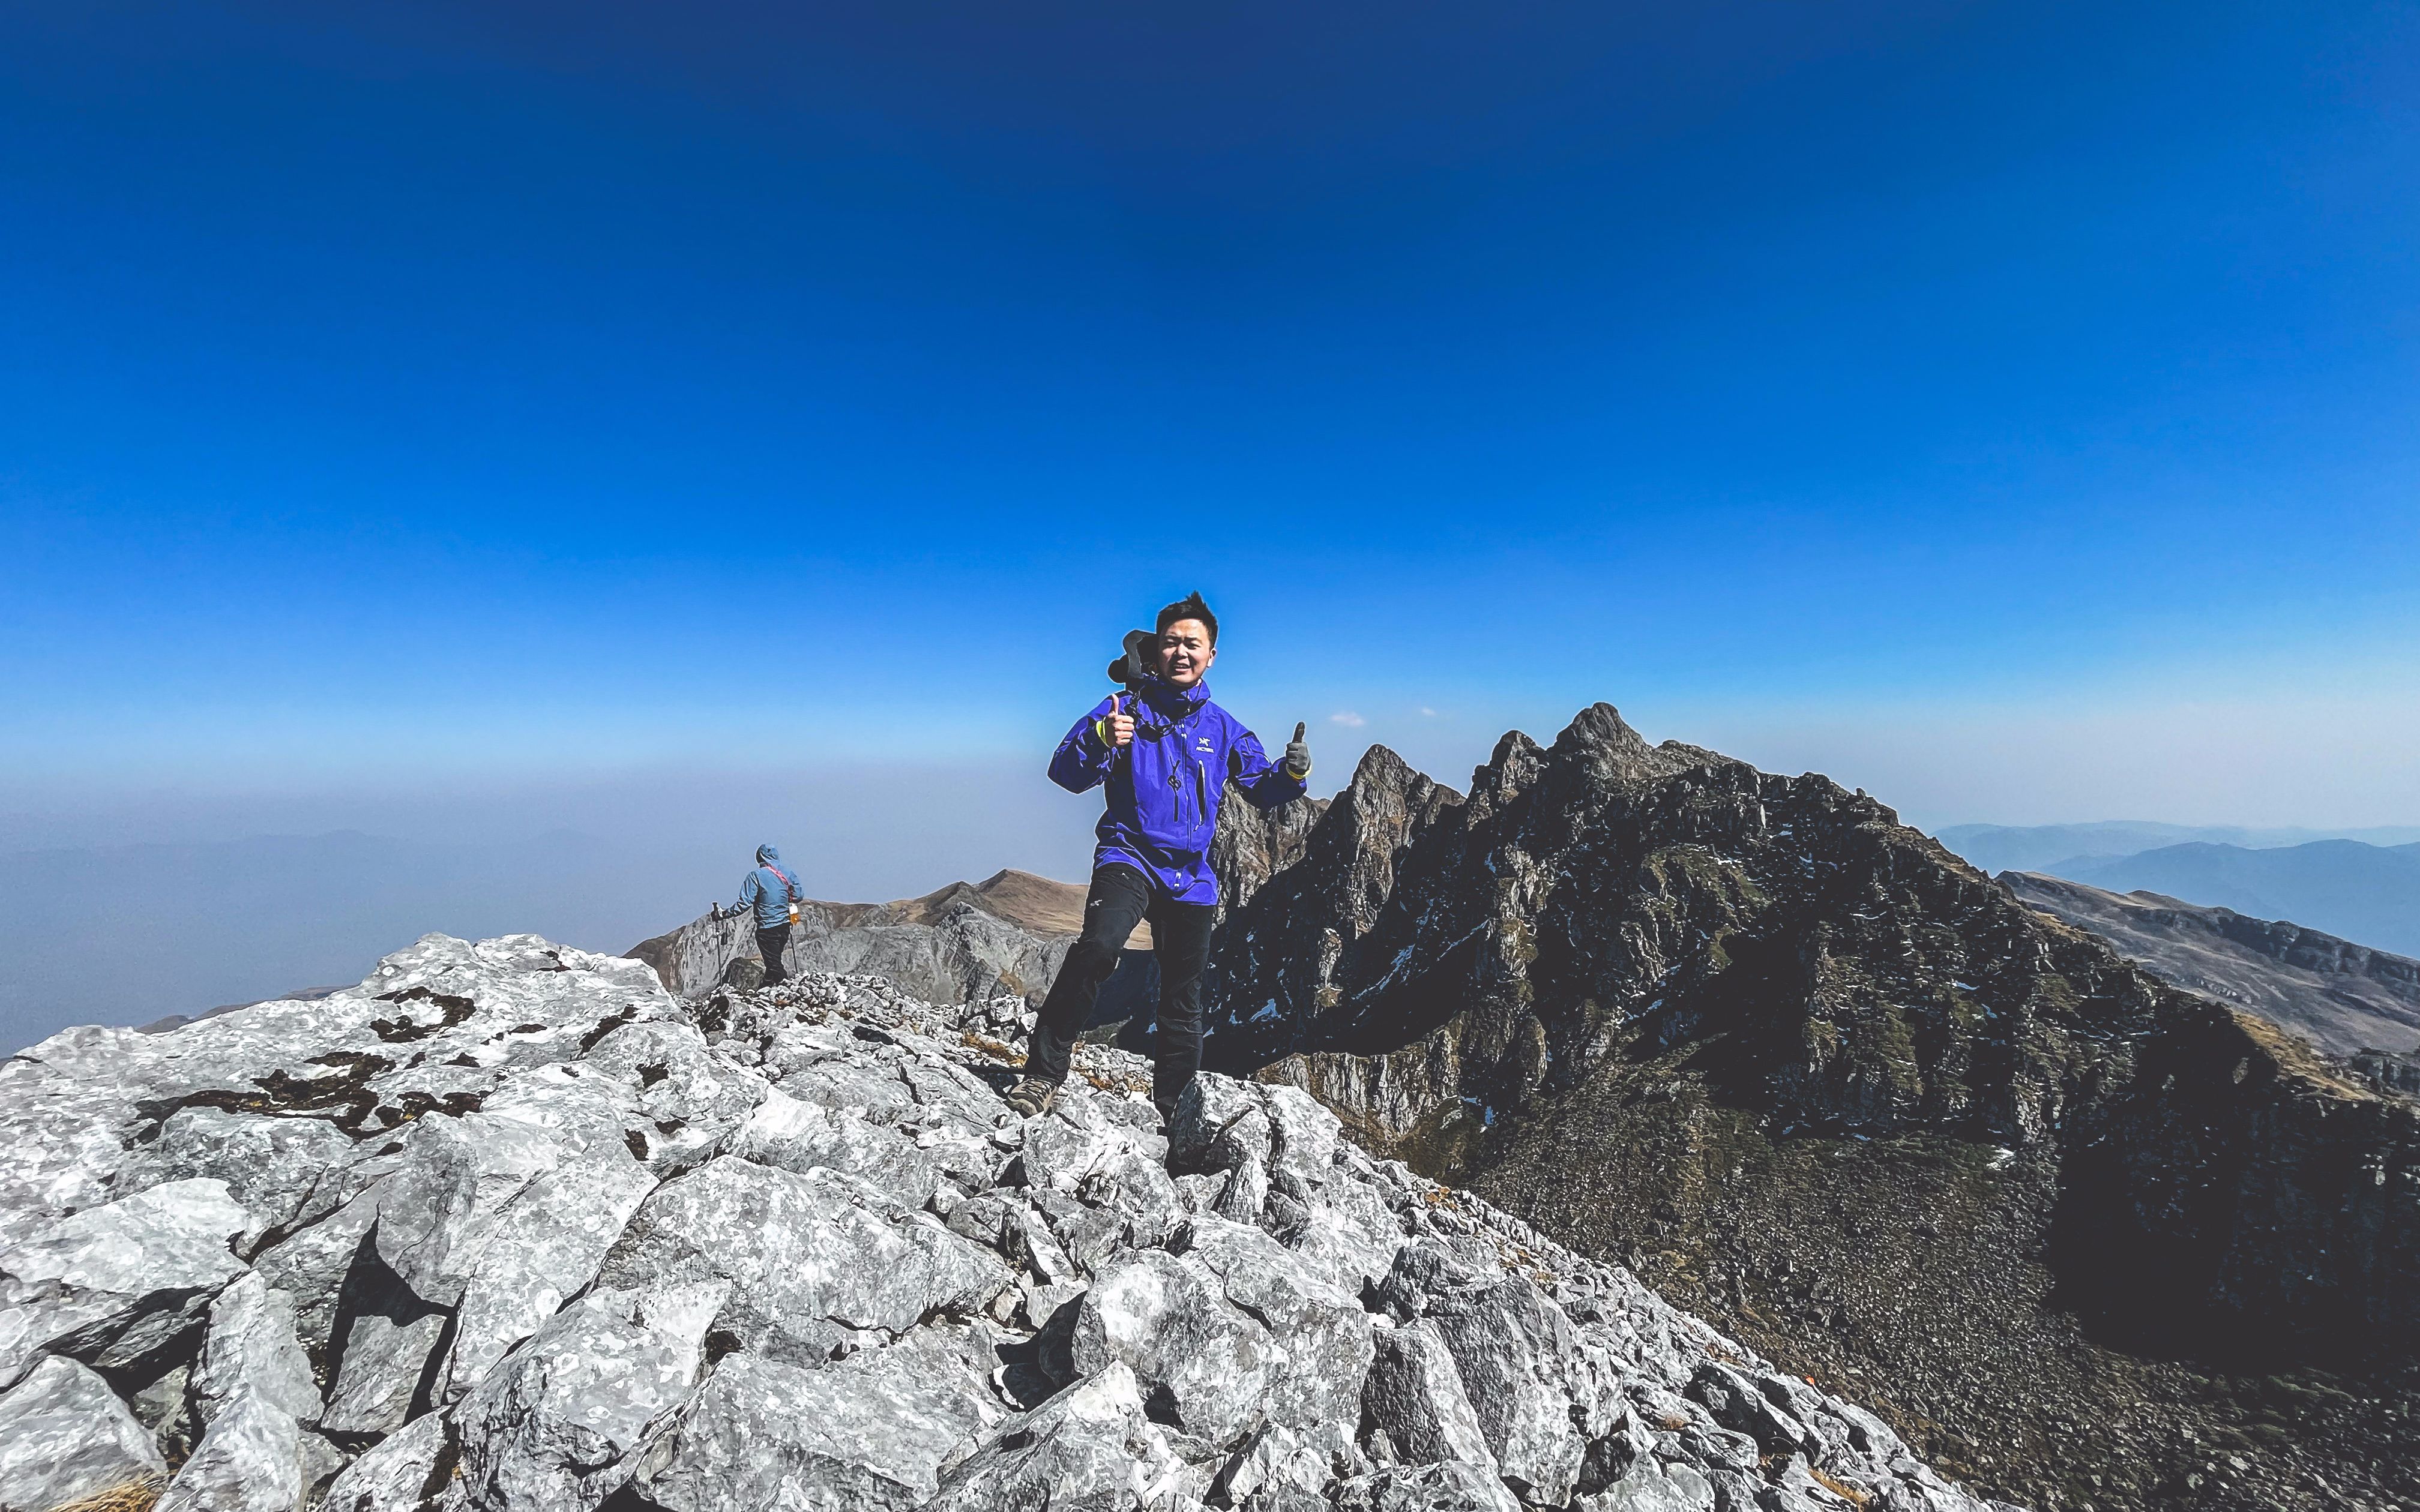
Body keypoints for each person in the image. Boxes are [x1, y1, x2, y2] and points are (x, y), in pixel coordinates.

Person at [1008, 592, 1311, 1121]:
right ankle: (1042, 1076)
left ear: (1211, 654)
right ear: (1156, 649)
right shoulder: (1122, 711)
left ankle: (1174, 1110)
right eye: (1171, 642)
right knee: (1098, 950)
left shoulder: (1223, 729)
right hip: (1130, 856)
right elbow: (1065, 773)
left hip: (1191, 876)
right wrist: (1100, 738)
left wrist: (1291, 776)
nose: (1181, 652)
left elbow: (1262, 788)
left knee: (1182, 996)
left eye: (1192, 644)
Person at [717, 843, 802, 987]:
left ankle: (789, 989)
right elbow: (798, 896)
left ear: (759, 857)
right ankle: (765, 989)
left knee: (774, 965)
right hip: (785, 926)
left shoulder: (755, 876)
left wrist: (725, 914)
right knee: (773, 961)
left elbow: (744, 903)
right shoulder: (787, 872)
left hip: (767, 928)